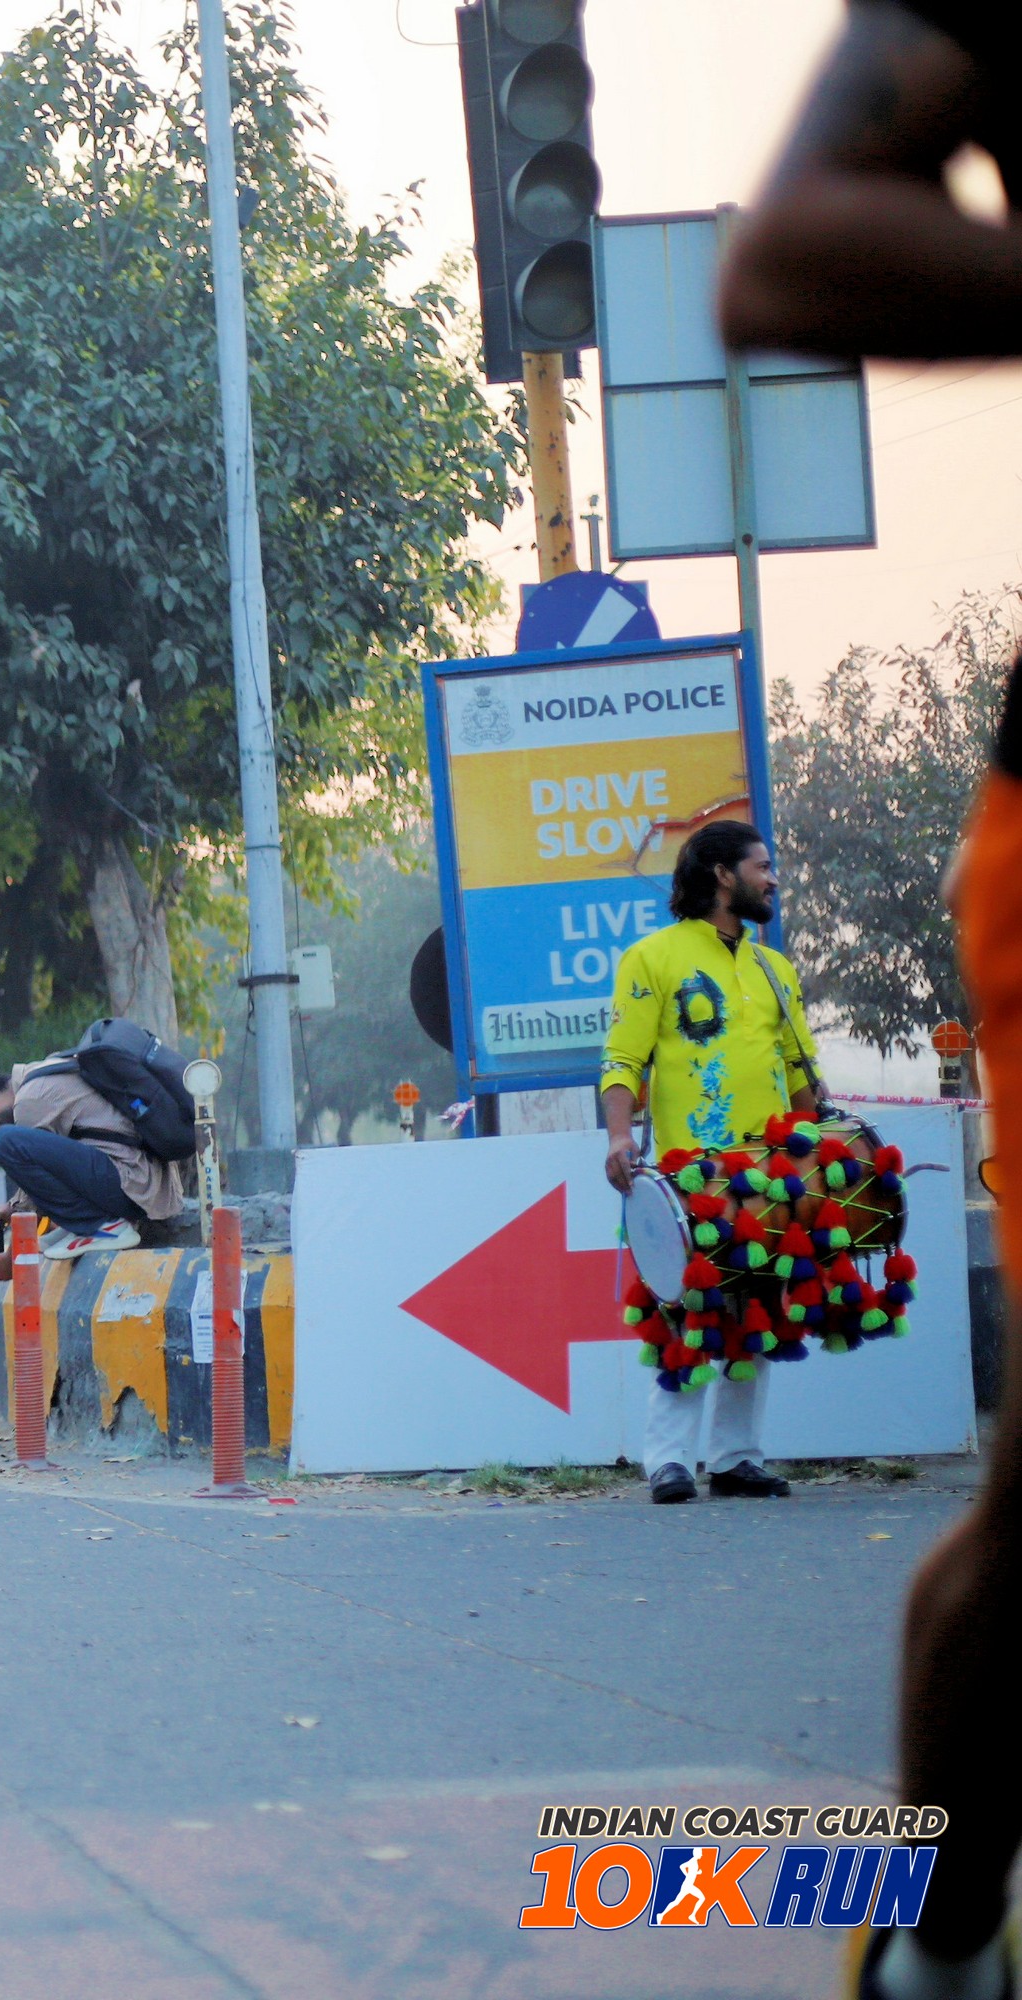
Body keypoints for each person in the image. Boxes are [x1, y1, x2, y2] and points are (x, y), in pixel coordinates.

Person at [723, 17, 1022, 1992]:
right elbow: (783, 254)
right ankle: (935, 1945)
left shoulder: (753, 962)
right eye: (746, 865)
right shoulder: (684, 962)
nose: (768, 878)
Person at [598, 820, 819, 1508]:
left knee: (759, 1309)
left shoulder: (774, 969)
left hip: (769, 1170)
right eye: (761, 867)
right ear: (723, 875)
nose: (772, 879)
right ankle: (668, 1462)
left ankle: (736, 1458)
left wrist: (817, 1154)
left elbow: (800, 1071)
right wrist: (618, 1136)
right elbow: (623, 1059)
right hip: (691, 1171)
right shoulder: (653, 957)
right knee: (688, 1311)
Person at [0, 1045, 186, 1260]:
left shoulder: (29, 1099)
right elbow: (49, 1172)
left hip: (132, 1184)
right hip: (144, 1183)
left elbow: (32, 1189)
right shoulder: (45, 1071)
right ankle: (82, 1226)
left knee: (6, 1142)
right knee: (14, 1142)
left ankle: (100, 1227)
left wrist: (12, 1255)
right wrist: (11, 1208)